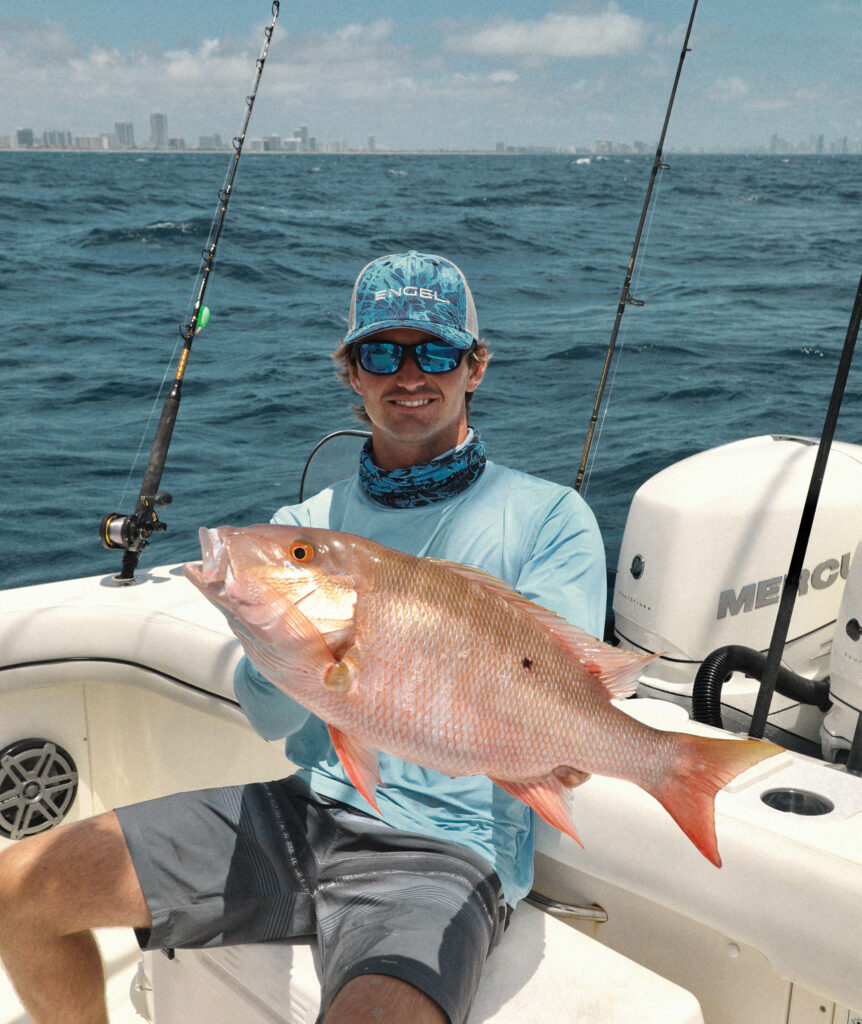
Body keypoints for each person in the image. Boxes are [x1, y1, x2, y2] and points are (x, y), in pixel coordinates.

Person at [0, 250, 606, 1024]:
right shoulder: (302, 531)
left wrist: (567, 744)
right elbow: (273, 718)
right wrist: (278, 640)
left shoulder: (551, 518)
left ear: (475, 367)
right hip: (303, 813)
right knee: (20, 888)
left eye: (437, 352)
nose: (410, 374)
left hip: (446, 848)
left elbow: (559, 696)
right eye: (382, 352)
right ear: (353, 373)